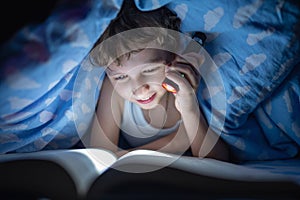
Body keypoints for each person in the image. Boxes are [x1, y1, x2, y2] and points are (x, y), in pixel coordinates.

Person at [88, 0, 229, 161]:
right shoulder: (113, 91)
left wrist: (189, 109)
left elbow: (218, 161)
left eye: (149, 70)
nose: (139, 89)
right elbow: (99, 159)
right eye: (120, 77)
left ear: (175, 55)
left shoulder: (189, 86)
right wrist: (178, 142)